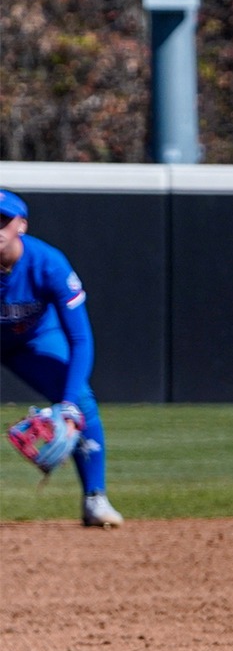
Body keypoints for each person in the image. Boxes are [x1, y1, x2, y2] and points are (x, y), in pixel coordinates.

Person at [0, 189, 122, 528]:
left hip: (32, 340)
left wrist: (67, 405)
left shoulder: (48, 263)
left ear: (21, 225)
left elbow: (80, 339)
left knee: (81, 400)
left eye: (3, 220)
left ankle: (95, 499)